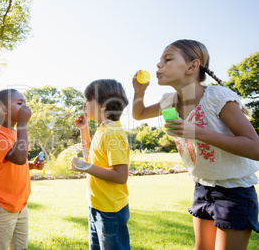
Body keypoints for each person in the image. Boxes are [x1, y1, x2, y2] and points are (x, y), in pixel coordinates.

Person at [132, 39, 259, 249]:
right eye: (160, 60)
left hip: (234, 190)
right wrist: (139, 92)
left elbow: (255, 148)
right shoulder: (169, 101)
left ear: (192, 66)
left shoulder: (216, 97)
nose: (158, 64)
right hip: (203, 187)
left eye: (168, 59)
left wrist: (196, 132)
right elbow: (139, 114)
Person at [69, 79, 131, 250]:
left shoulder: (112, 133)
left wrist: (83, 166)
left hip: (110, 210)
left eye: (88, 99)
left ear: (103, 105)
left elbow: (120, 175)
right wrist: (84, 130)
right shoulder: (103, 129)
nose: (84, 104)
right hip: (97, 204)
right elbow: (90, 156)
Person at [0, 88, 45, 250]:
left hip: (20, 204)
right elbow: (17, 158)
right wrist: (23, 123)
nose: (25, 107)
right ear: (3, 109)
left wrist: (31, 165)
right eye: (20, 103)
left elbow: (19, 161)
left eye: (25, 103)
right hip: (0, 205)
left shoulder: (16, 134)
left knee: (19, 247)